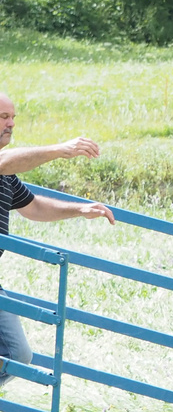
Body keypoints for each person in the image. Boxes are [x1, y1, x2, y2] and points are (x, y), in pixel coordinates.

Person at [0, 93, 114, 385]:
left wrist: (80, 209)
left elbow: (33, 206)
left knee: (18, 355)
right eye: (3, 117)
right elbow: (3, 160)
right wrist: (61, 149)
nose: (11, 124)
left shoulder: (6, 174)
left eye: (13, 118)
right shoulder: (4, 163)